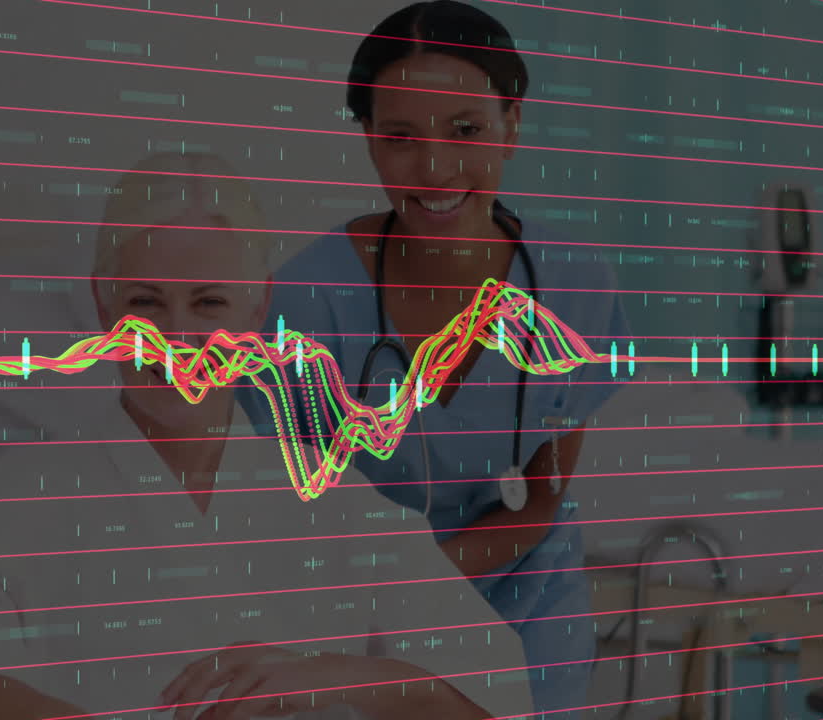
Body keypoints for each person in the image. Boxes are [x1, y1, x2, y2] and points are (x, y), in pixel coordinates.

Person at [0, 152, 535, 720]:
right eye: (145, 303)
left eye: (209, 302)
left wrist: (339, 676)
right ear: (103, 304)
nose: (176, 338)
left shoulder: (334, 503)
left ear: (258, 306)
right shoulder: (13, 499)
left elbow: (495, 688)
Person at [237, 3, 631, 716]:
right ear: (368, 139)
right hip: (360, 630)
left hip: (528, 613)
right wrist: (385, 616)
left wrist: (420, 592)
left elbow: (541, 498)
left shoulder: (574, 284)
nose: (435, 169)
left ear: (511, 124)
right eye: (400, 137)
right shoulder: (306, 303)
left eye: (466, 130)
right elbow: (289, 520)